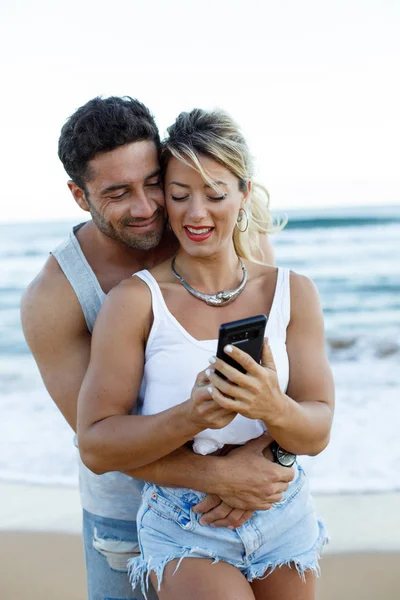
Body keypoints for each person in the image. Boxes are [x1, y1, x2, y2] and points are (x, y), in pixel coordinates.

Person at [20, 96, 294, 600]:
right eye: (118, 193)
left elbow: (283, 378)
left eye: (152, 183)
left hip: (256, 504)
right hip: (126, 519)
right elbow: (100, 441)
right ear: (79, 196)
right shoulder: (55, 296)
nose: (146, 208)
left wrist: (273, 458)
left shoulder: (216, 234)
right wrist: (221, 478)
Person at [77, 108, 335, 600]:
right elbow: (96, 444)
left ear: (243, 193)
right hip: (184, 521)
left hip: (282, 509)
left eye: (215, 194)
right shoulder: (135, 301)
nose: (196, 214)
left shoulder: (293, 292)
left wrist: (272, 407)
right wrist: (191, 416)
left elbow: (318, 430)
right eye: (178, 196)